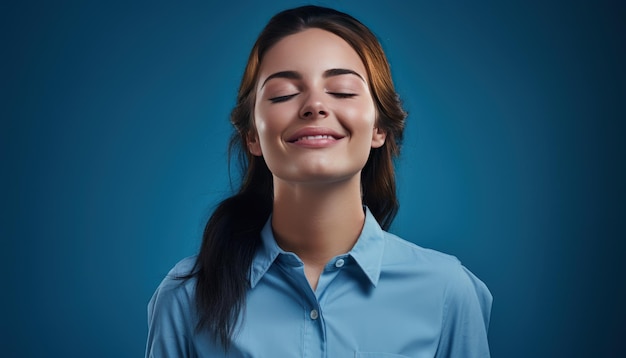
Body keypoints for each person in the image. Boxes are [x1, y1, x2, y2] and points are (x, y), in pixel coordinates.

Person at [145, 5, 492, 357]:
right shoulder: (185, 295)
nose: (314, 105)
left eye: (341, 90)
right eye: (282, 94)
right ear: (252, 134)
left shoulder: (448, 292)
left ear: (379, 127)